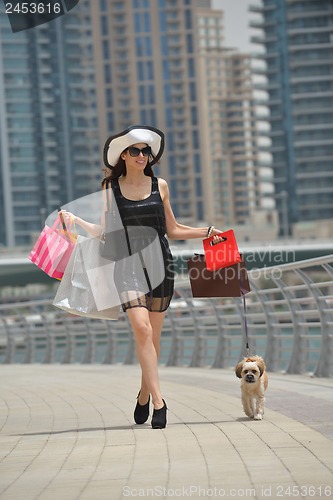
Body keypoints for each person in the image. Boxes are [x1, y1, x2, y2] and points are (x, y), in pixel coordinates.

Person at [60, 125, 223, 429]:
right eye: (134, 150)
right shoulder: (111, 187)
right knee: (142, 329)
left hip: (160, 264)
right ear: (123, 155)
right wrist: (76, 221)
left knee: (153, 336)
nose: (141, 155)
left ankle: (144, 394)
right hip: (127, 265)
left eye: (145, 150)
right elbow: (106, 232)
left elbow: (172, 229)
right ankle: (160, 402)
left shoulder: (160, 185)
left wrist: (208, 232)